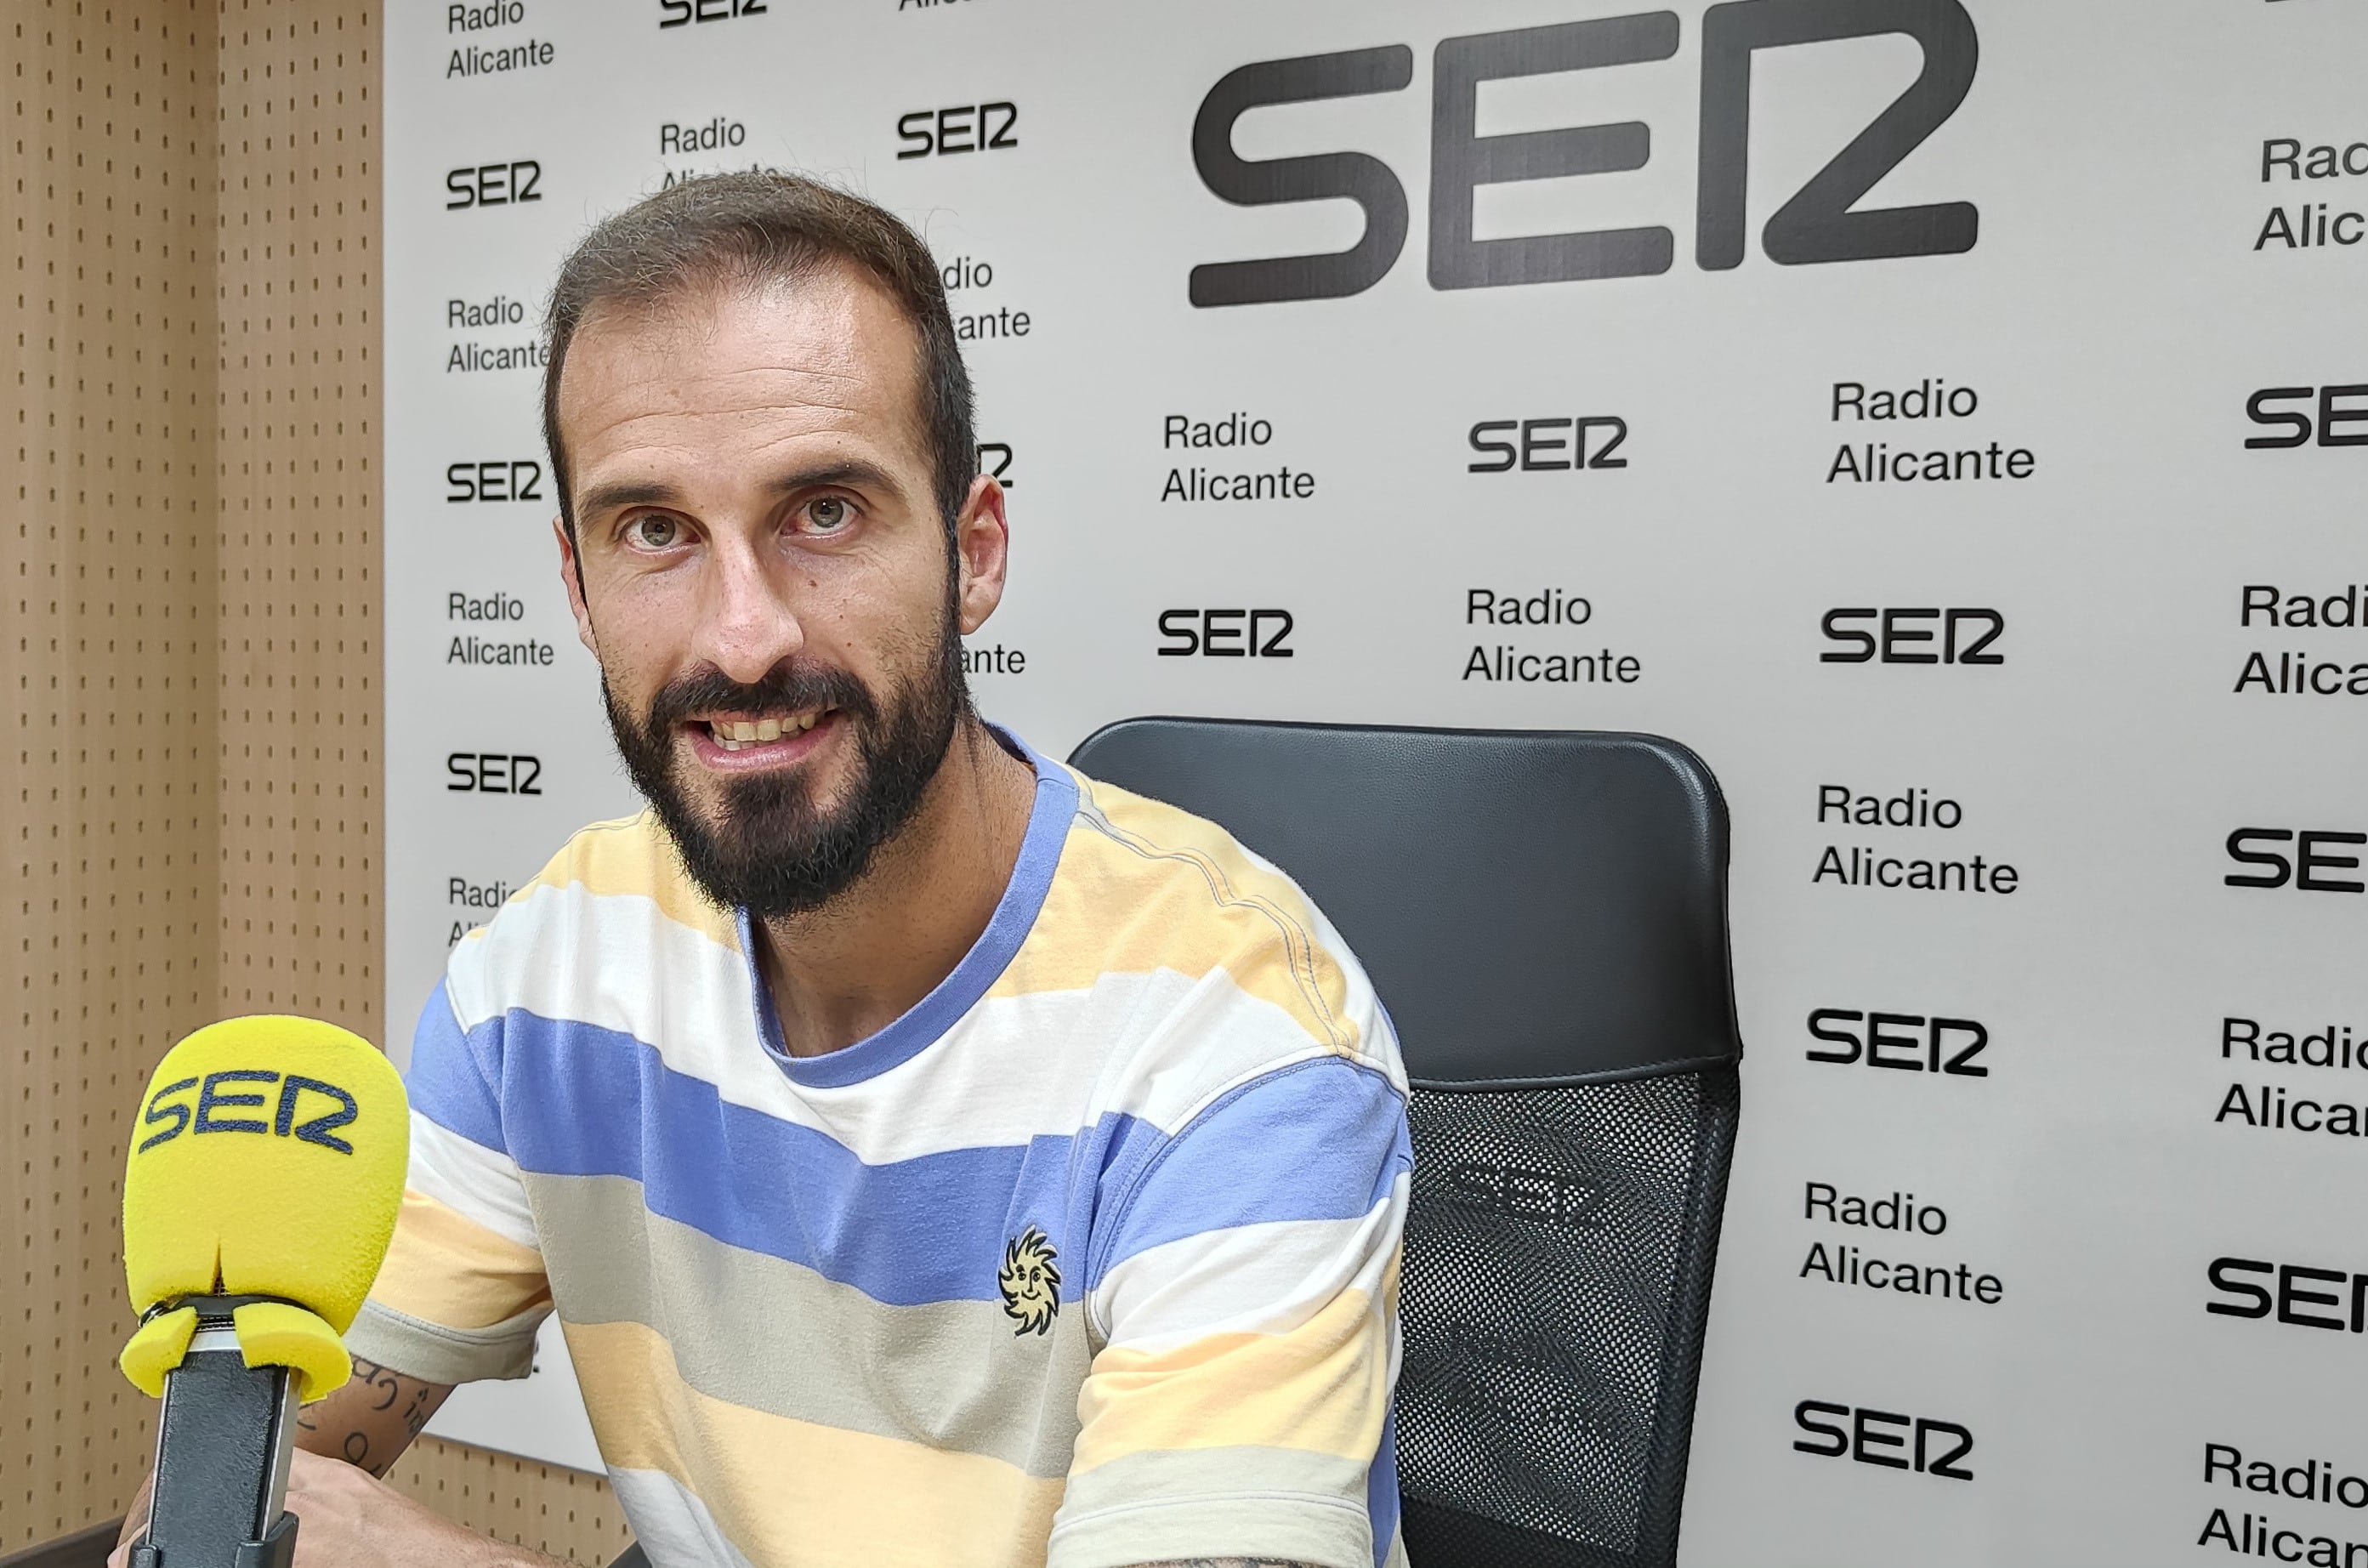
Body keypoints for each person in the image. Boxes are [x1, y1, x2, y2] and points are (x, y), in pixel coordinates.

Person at [123, 173, 1410, 1568]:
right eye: (655, 532)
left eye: (825, 512)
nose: (740, 640)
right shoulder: (557, 971)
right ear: (575, 586)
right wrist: (219, 1508)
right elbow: (233, 1488)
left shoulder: (1240, 1045)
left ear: (972, 554)